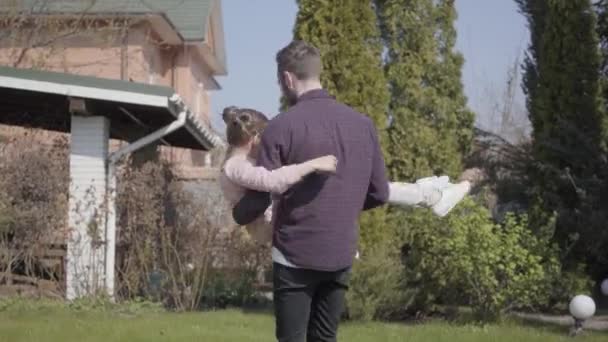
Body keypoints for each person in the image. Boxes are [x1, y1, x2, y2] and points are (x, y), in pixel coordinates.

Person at [230, 40, 470, 342]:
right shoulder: (363, 125)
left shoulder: (280, 127)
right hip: (340, 252)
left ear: (288, 79)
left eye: (281, 82)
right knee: (325, 337)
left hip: (294, 253)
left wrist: (238, 214)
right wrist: (342, 203)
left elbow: (262, 193)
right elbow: (380, 193)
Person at [220, 106, 469, 246]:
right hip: (270, 224)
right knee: (348, 187)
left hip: (279, 214)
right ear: (253, 138)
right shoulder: (236, 166)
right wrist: (312, 164)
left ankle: (428, 195)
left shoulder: (245, 160)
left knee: (356, 185)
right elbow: (272, 181)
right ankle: (429, 196)